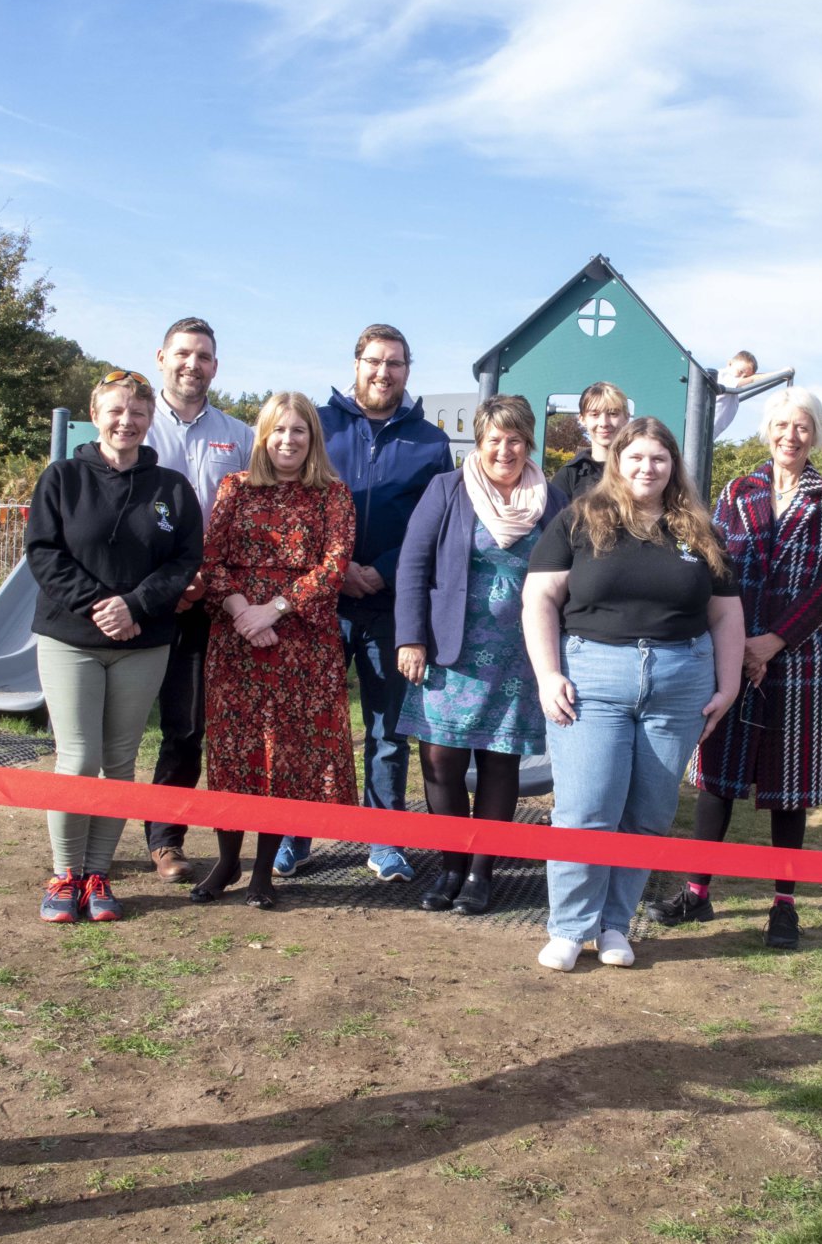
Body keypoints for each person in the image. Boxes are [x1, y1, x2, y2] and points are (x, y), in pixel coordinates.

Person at [523, 417, 744, 972]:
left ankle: (615, 924)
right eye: (637, 457)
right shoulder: (578, 520)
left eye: (659, 459)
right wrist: (548, 674)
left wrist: (729, 683)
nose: (648, 468)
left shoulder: (699, 530)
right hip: (592, 678)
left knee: (647, 812)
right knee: (586, 808)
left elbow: (726, 614)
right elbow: (540, 600)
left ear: (674, 467)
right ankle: (570, 928)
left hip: (678, 684)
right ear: (617, 461)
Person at [652, 387, 822, 950]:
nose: (792, 436)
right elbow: (716, 567)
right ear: (768, 430)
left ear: (815, 434)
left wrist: (775, 641)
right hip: (732, 650)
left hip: (799, 655)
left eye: (804, 427)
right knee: (717, 774)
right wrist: (741, 645)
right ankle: (697, 890)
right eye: (783, 425)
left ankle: (784, 905)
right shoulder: (738, 492)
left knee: (789, 787)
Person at [276, 325, 453, 882]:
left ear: (408, 370)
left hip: (391, 605)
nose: (384, 372)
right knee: (307, 723)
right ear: (355, 364)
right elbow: (296, 506)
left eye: (395, 363)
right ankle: (292, 835)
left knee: (386, 728)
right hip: (318, 603)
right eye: (374, 361)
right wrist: (338, 567)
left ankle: (385, 840)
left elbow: (438, 521)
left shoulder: (430, 441)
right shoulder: (321, 426)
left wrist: (384, 569)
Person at [25, 370, 202, 925]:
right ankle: (65, 874)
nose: (127, 422)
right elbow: (45, 552)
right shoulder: (63, 477)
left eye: (139, 413)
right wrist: (102, 606)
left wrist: (136, 606)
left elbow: (184, 559)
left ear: (151, 420)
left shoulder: (171, 487)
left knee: (120, 761)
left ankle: (98, 873)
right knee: (78, 758)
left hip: (143, 641)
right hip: (70, 637)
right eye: (117, 411)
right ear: (97, 413)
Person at [396, 394, 568, 916]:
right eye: (494, 438)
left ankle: (480, 873)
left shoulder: (552, 500)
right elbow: (412, 565)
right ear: (479, 440)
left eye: (515, 439)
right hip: (449, 653)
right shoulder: (447, 489)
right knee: (441, 760)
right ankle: (450, 866)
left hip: (520, 656)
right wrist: (411, 636)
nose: (505, 449)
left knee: (500, 763)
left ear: (529, 442)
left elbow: (574, 572)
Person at [187, 393, 356, 908]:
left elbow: (333, 567)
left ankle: (264, 870)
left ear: (313, 438)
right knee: (233, 749)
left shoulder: (332, 495)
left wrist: (274, 610)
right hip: (237, 638)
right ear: (262, 436)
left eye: (298, 431)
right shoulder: (235, 488)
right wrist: (245, 613)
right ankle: (225, 860)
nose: (288, 440)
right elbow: (211, 561)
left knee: (280, 755)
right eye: (278, 430)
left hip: (301, 640)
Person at [139, 318, 256, 883]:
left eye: (204, 356)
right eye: (183, 353)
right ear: (161, 357)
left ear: (216, 365)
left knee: (186, 728)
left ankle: (167, 840)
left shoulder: (240, 435)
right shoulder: (132, 421)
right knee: (114, 730)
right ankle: (85, 841)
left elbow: (254, 520)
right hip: (139, 601)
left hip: (208, 605)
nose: (193, 364)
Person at [549, 381, 631, 501]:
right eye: (594, 414)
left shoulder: (638, 470)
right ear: (582, 419)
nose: (603, 423)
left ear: (626, 418)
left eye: (613, 414)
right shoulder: (569, 475)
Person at [711, 350, 763, 437]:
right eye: (740, 371)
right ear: (730, 364)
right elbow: (753, 379)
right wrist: (780, 374)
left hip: (709, 433)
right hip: (700, 429)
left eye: (746, 376)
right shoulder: (722, 375)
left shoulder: (733, 390)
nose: (742, 377)